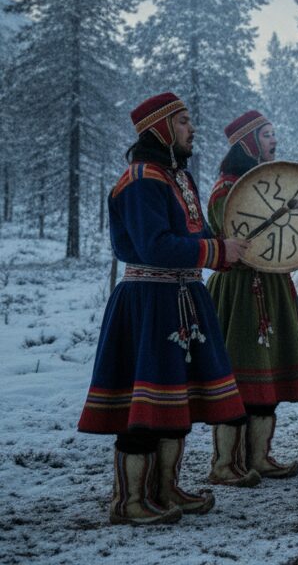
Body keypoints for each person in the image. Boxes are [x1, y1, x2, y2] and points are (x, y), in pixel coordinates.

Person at [78, 92, 253, 524]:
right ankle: (129, 500)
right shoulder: (142, 180)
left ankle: (165, 489)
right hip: (149, 303)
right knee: (143, 408)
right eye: (182, 122)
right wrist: (215, 252)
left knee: (179, 402)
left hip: (184, 298)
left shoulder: (179, 179)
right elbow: (153, 247)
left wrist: (225, 249)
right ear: (160, 129)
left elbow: (196, 236)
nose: (191, 129)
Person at [205, 110, 298, 482]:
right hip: (238, 290)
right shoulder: (226, 191)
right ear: (248, 143)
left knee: (266, 376)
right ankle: (225, 463)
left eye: (274, 134)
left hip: (271, 286)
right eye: (267, 135)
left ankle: (259, 457)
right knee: (237, 376)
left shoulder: (274, 184)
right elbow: (234, 236)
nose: (274, 140)